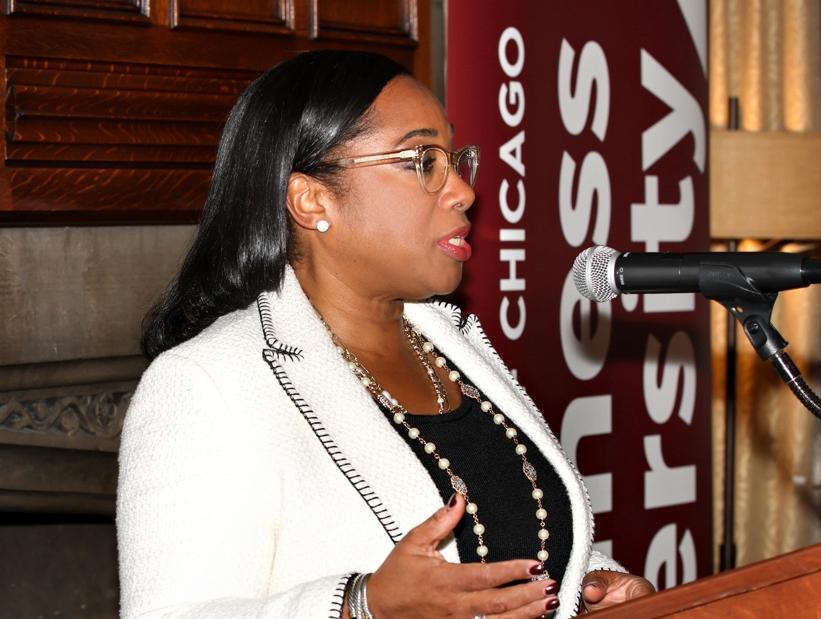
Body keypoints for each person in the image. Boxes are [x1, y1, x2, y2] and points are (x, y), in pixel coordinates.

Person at [116, 50, 654, 618]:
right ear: (312, 199)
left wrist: (589, 584)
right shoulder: (207, 383)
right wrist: (360, 607)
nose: (463, 191)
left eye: (455, 159)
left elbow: (502, 538)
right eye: (423, 160)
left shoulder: (454, 348)